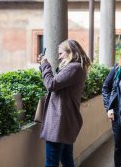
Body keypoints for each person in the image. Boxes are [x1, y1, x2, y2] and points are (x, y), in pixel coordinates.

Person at [38, 39, 91, 167]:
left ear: (71, 52)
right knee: (67, 160)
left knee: (51, 162)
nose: (59, 57)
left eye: (61, 53)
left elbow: (51, 84)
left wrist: (45, 65)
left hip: (59, 122)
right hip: (65, 120)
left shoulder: (74, 68)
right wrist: (43, 66)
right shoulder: (77, 68)